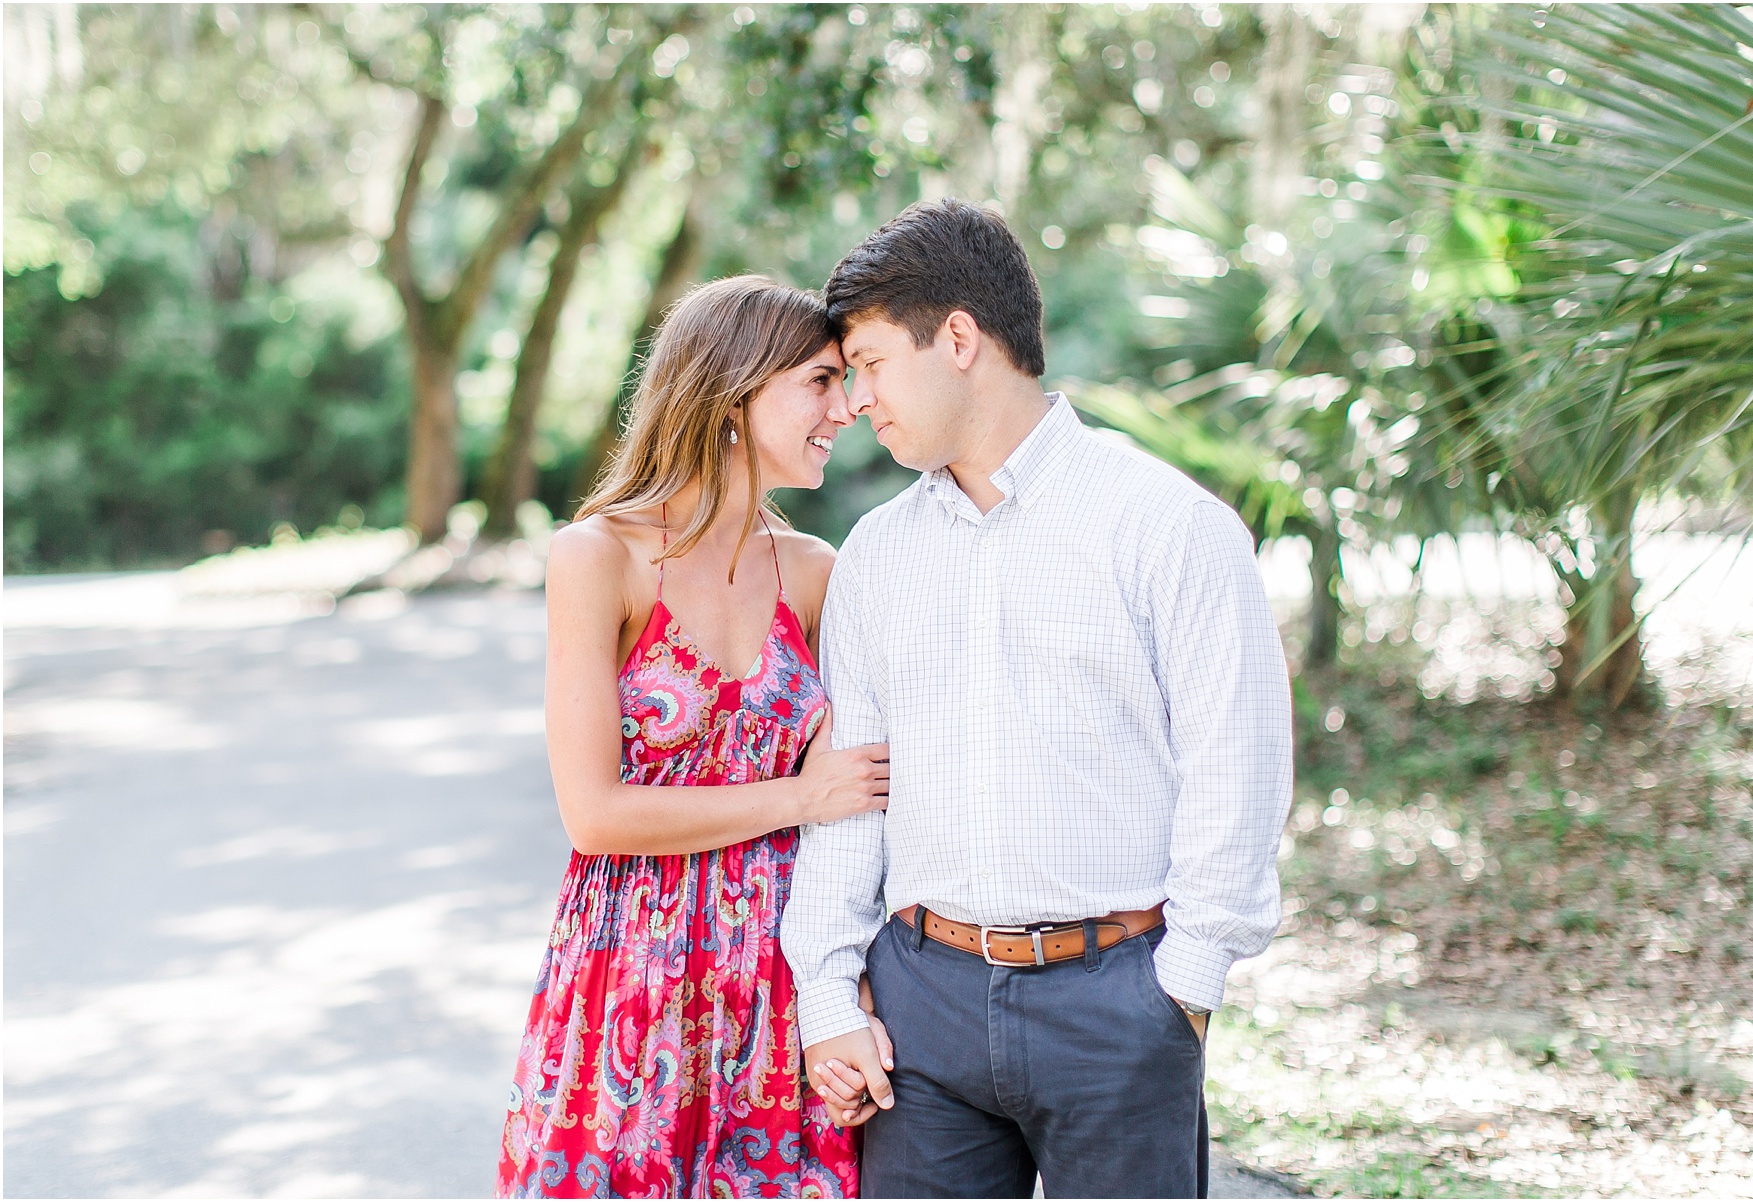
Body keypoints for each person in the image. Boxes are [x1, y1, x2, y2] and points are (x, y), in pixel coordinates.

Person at [783, 199, 1294, 1199]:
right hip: (919, 1002)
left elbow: (1237, 771)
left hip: (1119, 997)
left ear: (961, 338)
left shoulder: (1168, 526)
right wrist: (827, 991)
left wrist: (1183, 991)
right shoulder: (878, 555)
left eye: (873, 362)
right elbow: (852, 794)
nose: (854, 400)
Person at [496, 276, 894, 1199]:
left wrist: (852, 978)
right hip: (629, 974)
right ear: (735, 386)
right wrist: (797, 796)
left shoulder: (813, 573)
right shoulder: (598, 558)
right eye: (820, 381)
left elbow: (861, 796)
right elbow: (594, 814)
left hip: (778, 979)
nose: (847, 408)